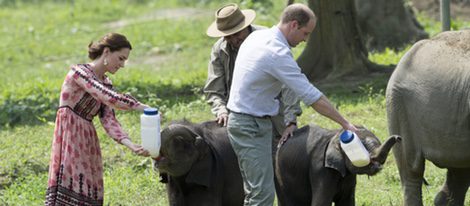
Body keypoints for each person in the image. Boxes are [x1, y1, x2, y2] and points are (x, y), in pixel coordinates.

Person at [226, 3, 358, 206]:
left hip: (253, 122)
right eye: (305, 33)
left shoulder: (258, 37)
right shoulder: (276, 52)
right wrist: (345, 123)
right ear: (294, 25)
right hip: (248, 125)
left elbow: (286, 85)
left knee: (258, 188)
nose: (305, 40)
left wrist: (290, 120)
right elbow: (312, 96)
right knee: (261, 195)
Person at [45, 33, 151, 205]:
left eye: (125, 60)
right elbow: (106, 96)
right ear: (107, 52)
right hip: (70, 134)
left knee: (89, 186)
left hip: (87, 138)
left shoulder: (106, 83)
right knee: (72, 183)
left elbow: (109, 120)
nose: (122, 65)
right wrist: (140, 106)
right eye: (121, 58)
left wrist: (131, 145)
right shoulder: (79, 73)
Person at [204, 3, 302, 143]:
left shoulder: (270, 41)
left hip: (274, 113)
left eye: (236, 34)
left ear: (246, 26)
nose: (233, 40)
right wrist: (220, 109)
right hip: (239, 117)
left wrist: (291, 119)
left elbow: (290, 84)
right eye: (227, 37)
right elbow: (214, 89)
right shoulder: (220, 49)